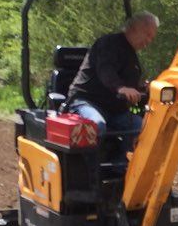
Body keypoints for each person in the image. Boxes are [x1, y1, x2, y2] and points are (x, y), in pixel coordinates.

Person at [63, 11, 160, 165]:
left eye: (152, 37)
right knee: (96, 125)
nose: (149, 41)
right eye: (147, 34)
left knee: (143, 126)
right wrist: (120, 88)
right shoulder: (108, 44)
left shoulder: (131, 56)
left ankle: (122, 168)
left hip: (114, 110)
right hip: (86, 102)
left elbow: (130, 88)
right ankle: (90, 173)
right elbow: (106, 71)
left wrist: (143, 90)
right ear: (134, 28)